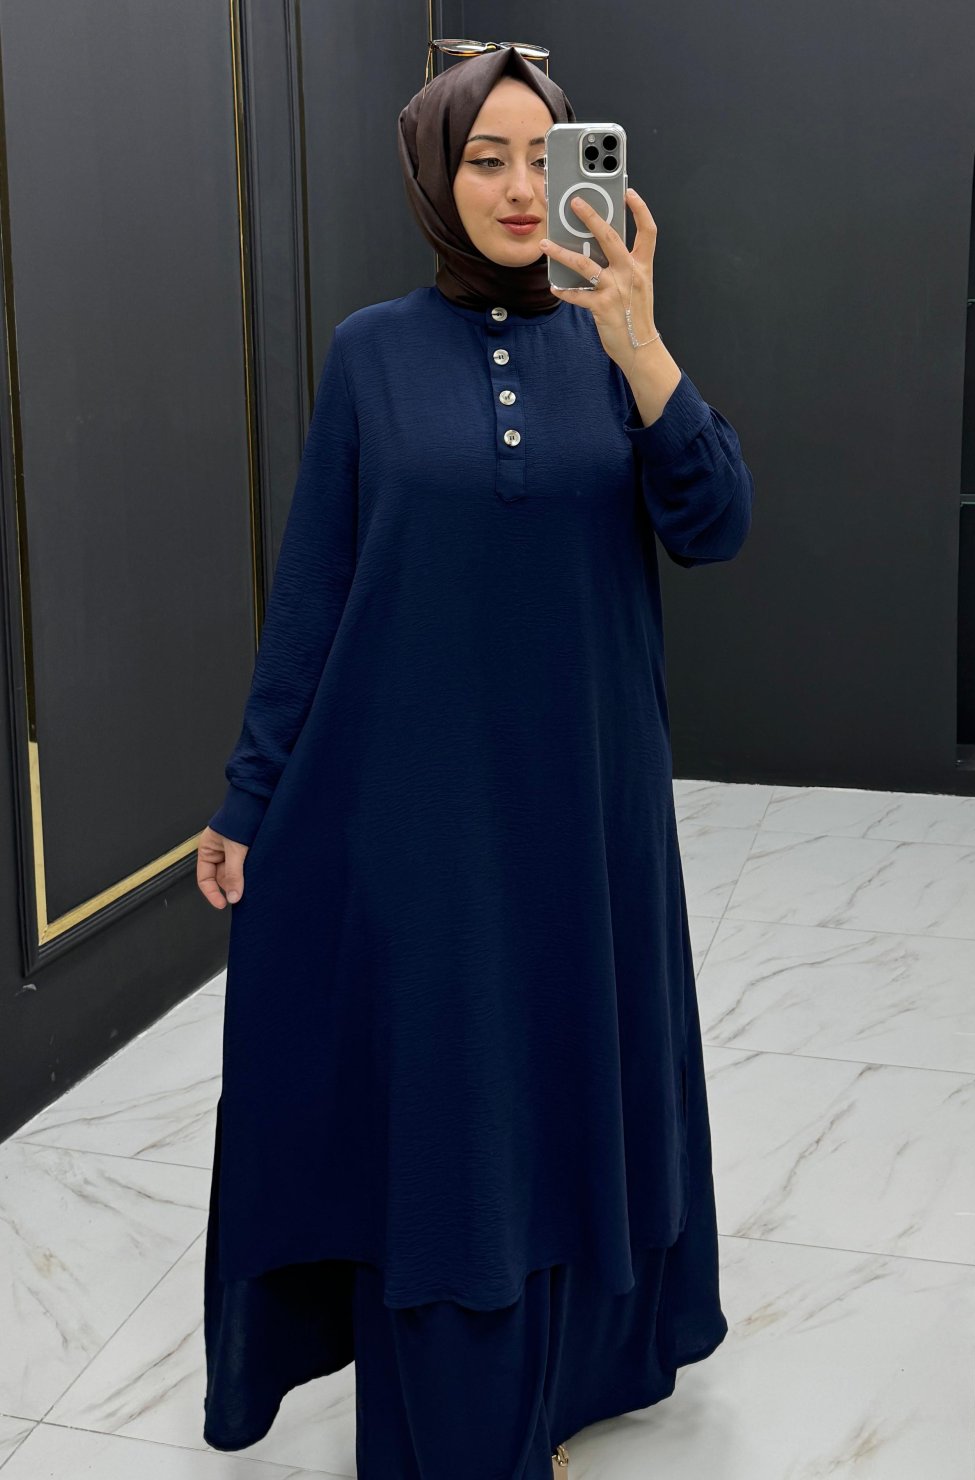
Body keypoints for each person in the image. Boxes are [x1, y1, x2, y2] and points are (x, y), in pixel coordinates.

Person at [196, 43, 753, 1480]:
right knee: (453, 1100)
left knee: (569, 1079)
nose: (517, 187)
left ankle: (572, 1379)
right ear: (435, 177)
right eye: (484, 158)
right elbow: (315, 590)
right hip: (416, 818)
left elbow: (715, 524)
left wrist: (642, 345)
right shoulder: (371, 354)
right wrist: (251, 795)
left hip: (586, 810)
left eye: (543, 157)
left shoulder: (615, 345)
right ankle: (465, 1422)